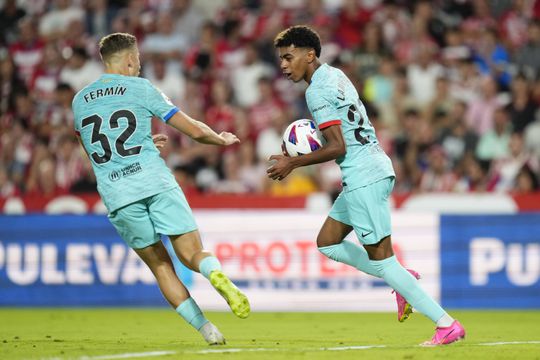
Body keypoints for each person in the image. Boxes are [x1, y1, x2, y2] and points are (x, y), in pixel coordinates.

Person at [268, 25, 465, 346]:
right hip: (374, 165)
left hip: (362, 175)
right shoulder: (336, 75)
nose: (284, 65)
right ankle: (402, 281)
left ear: (310, 55)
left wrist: (293, 162)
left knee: (383, 259)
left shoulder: (315, 92)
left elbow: (337, 146)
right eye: (281, 59)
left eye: (289, 57)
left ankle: (446, 324)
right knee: (328, 242)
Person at [71, 33, 250, 345]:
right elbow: (193, 129)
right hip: (154, 180)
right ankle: (214, 274)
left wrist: (142, 144)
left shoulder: (79, 100)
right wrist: (220, 139)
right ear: (128, 60)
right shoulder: (140, 87)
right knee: (192, 253)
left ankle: (208, 331)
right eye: (138, 61)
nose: (139, 66)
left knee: (160, 266)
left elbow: (93, 151)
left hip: (118, 194)